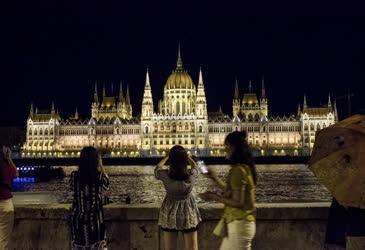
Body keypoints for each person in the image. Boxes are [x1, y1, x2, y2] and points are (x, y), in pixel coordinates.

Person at [200, 131, 257, 250]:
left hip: (239, 225)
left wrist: (213, 196)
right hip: (241, 225)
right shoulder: (245, 168)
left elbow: (238, 202)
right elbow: (231, 190)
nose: (224, 150)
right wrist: (214, 178)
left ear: (235, 148)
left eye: (227, 147)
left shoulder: (238, 170)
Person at [155, 145, 201, 250]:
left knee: (169, 248)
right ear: (184, 160)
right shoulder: (191, 176)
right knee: (192, 247)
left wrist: (167, 156)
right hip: (188, 211)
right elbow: (196, 167)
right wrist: (188, 157)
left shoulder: (165, 175)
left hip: (169, 211)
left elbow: (157, 169)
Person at [71, 147, 110, 250]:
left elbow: (73, 189)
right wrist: (101, 166)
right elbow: (106, 186)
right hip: (95, 223)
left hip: (78, 223)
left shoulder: (74, 177)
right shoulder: (100, 176)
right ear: (96, 160)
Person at [0, 145, 18, 250]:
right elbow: (16, 174)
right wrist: (9, 158)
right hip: (5, 203)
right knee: (3, 240)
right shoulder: (5, 165)